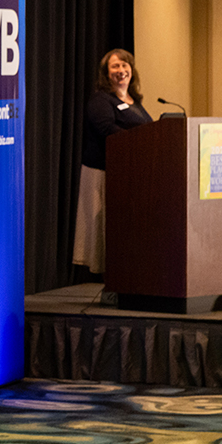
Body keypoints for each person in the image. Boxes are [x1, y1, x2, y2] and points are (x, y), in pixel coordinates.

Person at [72, 48, 152, 274]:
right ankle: (108, 275)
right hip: (103, 173)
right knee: (103, 227)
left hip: (129, 173)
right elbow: (106, 129)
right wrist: (138, 141)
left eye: (125, 65)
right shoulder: (100, 100)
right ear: (106, 73)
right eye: (115, 66)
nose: (121, 70)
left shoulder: (134, 101)